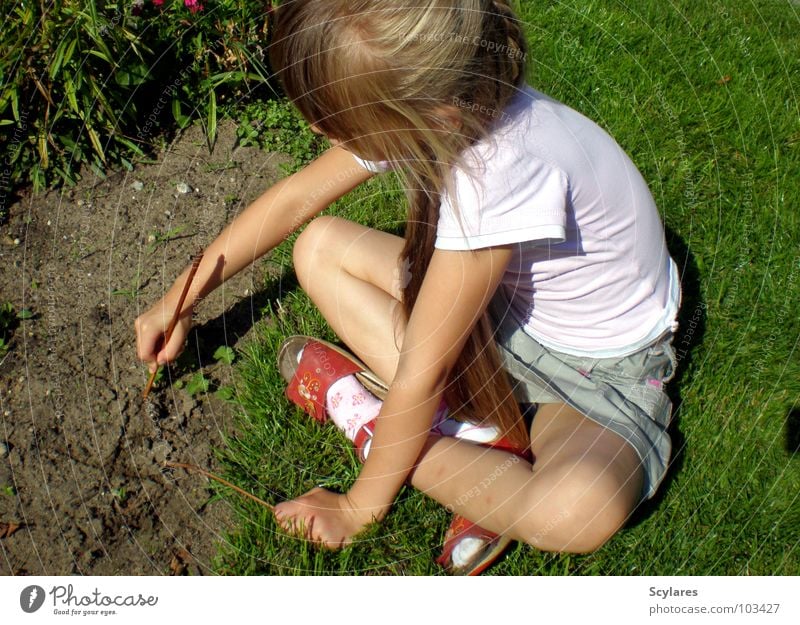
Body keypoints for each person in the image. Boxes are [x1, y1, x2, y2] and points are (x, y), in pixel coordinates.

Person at [135, 0, 681, 575]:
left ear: (430, 116)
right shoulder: (444, 99)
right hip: (506, 314)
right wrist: (178, 301)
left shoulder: (501, 172)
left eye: (332, 119)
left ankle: (368, 417)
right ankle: (477, 444)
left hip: (598, 373)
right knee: (317, 246)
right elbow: (296, 200)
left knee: (573, 510)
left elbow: (424, 369)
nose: (318, 130)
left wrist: (357, 507)